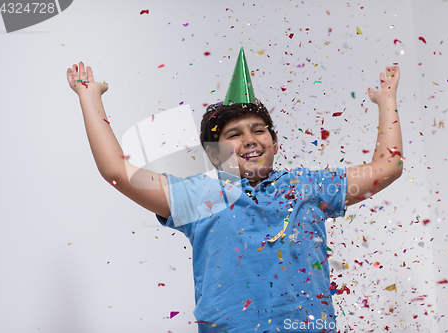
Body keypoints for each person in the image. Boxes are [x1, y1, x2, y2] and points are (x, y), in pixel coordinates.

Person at [67, 47, 403, 333]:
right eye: (234, 134)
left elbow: (387, 168)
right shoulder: (199, 194)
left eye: (259, 130)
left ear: (274, 144)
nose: (249, 139)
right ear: (213, 154)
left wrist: (386, 100)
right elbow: (116, 171)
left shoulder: (308, 186)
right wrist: (89, 96)